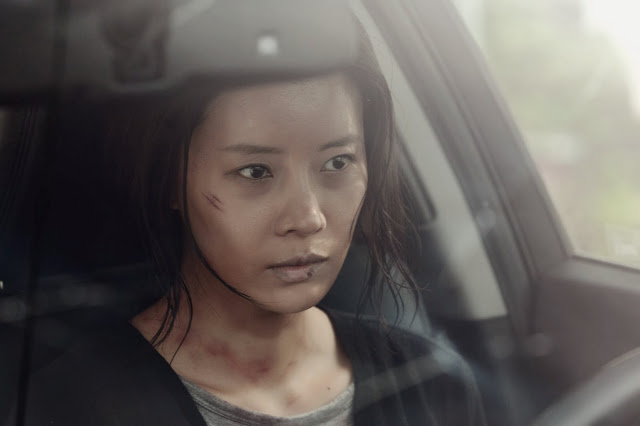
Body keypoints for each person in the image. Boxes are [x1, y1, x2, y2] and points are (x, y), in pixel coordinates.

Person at [20, 13, 486, 426]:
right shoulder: (69, 403)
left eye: (337, 163)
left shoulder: (430, 383)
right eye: (256, 172)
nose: (308, 218)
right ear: (169, 180)